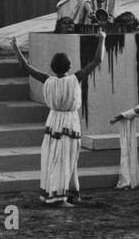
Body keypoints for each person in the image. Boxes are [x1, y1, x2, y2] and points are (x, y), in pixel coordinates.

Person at [11, 34, 105, 207]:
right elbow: (97, 60)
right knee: (65, 158)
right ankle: (60, 197)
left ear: (52, 67)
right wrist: (101, 39)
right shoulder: (74, 78)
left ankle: (66, 193)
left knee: (57, 157)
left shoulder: (48, 80)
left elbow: (25, 67)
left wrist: (16, 48)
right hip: (68, 120)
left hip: (54, 119)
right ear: (69, 66)